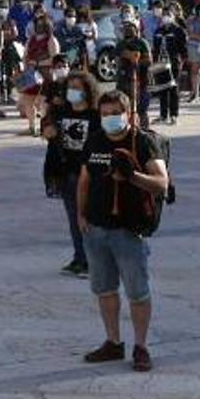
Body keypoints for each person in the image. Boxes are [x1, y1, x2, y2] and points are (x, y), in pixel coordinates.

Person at [77, 90, 170, 373]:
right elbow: (84, 180)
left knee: (137, 292)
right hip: (96, 227)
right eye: (104, 114)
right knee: (104, 289)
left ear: (127, 114)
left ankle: (140, 346)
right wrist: (81, 216)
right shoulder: (94, 140)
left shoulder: (142, 142)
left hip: (129, 229)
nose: (109, 119)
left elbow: (161, 183)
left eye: (114, 113)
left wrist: (132, 175)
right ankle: (113, 341)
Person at [43, 66, 99, 277]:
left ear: (87, 90)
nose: (72, 91)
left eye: (77, 88)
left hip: (88, 173)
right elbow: (46, 125)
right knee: (74, 218)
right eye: (69, 87)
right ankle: (79, 257)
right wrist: (46, 129)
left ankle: (93, 260)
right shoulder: (61, 112)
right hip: (65, 172)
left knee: (89, 218)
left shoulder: (95, 116)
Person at [115, 19, 152, 128]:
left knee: (141, 109)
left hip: (141, 79)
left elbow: (149, 60)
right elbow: (117, 60)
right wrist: (126, 56)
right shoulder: (121, 44)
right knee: (124, 105)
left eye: (131, 29)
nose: (129, 32)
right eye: (126, 30)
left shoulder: (142, 42)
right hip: (124, 79)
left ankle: (144, 129)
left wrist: (136, 59)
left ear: (137, 30)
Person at [152, 8, 186, 126]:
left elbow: (183, 48)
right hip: (160, 63)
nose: (166, 17)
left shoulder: (178, 30)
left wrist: (182, 61)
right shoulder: (158, 31)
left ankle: (173, 115)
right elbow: (155, 48)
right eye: (164, 15)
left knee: (173, 89)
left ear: (173, 16)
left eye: (169, 14)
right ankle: (163, 115)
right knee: (162, 89)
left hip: (173, 62)